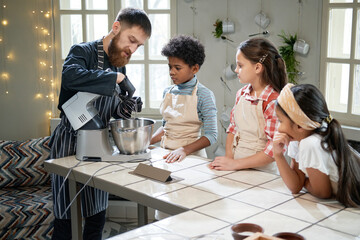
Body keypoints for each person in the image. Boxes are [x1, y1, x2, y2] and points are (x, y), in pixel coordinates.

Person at [49, 8, 151, 239]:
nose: (132, 50)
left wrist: (124, 107)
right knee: (66, 217)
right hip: (70, 144)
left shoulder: (118, 61)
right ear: (116, 28)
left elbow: (110, 107)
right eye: (131, 40)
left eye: (139, 46)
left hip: (99, 143)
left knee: (96, 216)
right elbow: (70, 77)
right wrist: (114, 78)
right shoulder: (82, 51)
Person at [273, 83, 360, 207]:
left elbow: (322, 193)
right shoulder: (298, 138)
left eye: (280, 121)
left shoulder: (311, 144)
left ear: (299, 125)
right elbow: (295, 187)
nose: (278, 128)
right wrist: (278, 155)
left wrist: (304, 181)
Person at [209, 37, 287, 173]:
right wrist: (229, 161)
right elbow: (232, 129)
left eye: (240, 65)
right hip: (237, 168)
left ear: (257, 67)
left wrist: (235, 164)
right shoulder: (241, 94)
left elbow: (274, 149)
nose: (236, 70)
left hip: (263, 174)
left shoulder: (272, 101)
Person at [150, 35, 218, 162]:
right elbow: (166, 128)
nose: (172, 72)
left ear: (194, 68)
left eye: (177, 68)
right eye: (170, 67)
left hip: (191, 157)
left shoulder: (204, 95)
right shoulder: (167, 92)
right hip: (165, 154)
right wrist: (147, 142)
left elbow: (212, 135)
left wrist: (184, 150)